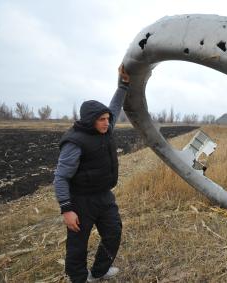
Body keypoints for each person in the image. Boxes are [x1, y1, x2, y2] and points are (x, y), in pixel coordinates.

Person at [53, 64, 130, 283]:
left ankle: (99, 272)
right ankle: (78, 278)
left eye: (108, 118)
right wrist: (66, 210)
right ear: (90, 120)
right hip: (80, 200)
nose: (108, 122)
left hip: (104, 196)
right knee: (78, 244)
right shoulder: (74, 142)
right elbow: (60, 177)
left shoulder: (105, 128)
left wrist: (123, 83)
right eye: (102, 119)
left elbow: (115, 106)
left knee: (113, 233)